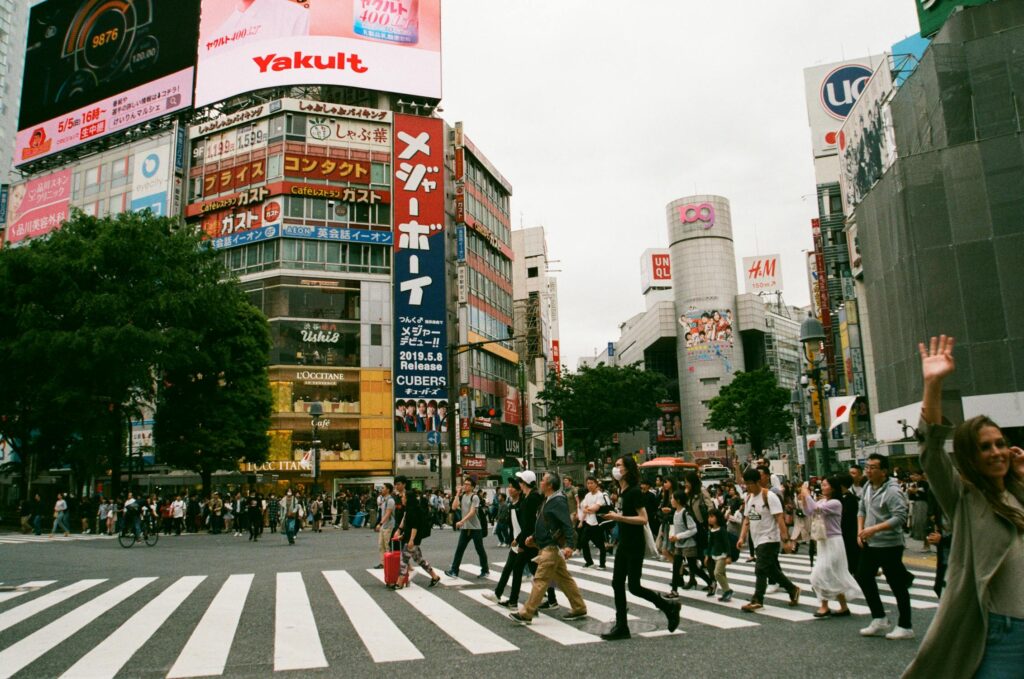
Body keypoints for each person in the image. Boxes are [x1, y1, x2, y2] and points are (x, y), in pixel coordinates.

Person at [903, 336, 1024, 678]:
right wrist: (933, 383)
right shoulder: (966, 498)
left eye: (1001, 443)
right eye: (985, 447)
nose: (997, 452)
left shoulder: (1016, 495)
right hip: (1003, 632)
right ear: (971, 457)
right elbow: (931, 453)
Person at [601, 456, 681, 639]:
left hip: (635, 543)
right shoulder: (622, 492)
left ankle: (669, 606)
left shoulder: (634, 492)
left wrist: (618, 518)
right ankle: (622, 626)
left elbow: (643, 519)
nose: (615, 468)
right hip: (624, 542)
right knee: (617, 583)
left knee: (634, 586)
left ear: (627, 469)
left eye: (618, 465)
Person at [509, 472, 587, 625]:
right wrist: (534, 537)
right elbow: (545, 523)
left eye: (543, 480)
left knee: (540, 579)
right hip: (546, 546)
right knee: (564, 579)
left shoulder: (558, 500)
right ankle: (579, 607)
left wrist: (570, 545)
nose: (540, 482)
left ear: (550, 485)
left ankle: (527, 612)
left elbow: (566, 524)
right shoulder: (548, 499)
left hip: (550, 548)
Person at [855, 452, 915, 640]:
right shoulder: (867, 486)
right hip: (871, 542)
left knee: (896, 583)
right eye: (867, 467)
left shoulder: (892, 491)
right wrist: (861, 530)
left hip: (889, 543)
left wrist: (874, 529)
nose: (868, 471)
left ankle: (906, 626)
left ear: (884, 471)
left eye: (873, 468)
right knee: (863, 576)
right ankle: (879, 617)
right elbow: (861, 510)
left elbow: (900, 517)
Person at [736, 468, 801, 612]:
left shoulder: (769, 496)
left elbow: (779, 518)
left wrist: (786, 540)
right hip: (757, 539)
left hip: (770, 538)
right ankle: (792, 589)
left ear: (758, 481)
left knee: (760, 569)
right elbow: (747, 519)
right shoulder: (749, 498)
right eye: (746, 484)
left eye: (750, 483)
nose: (748, 487)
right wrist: (742, 537)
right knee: (771, 570)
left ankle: (757, 599)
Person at [800, 477, 861, 617]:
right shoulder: (822, 501)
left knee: (821, 573)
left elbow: (815, 508)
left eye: (825, 485)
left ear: (833, 487)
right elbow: (808, 512)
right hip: (823, 541)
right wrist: (804, 498)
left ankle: (824, 606)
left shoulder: (836, 503)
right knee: (833, 574)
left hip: (834, 541)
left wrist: (807, 494)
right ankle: (842, 607)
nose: (822, 487)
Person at [667, 490, 713, 597]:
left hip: (689, 544)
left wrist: (678, 536)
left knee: (693, 568)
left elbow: (693, 530)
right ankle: (674, 591)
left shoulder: (685, 513)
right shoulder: (675, 512)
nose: (671, 500)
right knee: (676, 566)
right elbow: (676, 527)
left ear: (678, 500)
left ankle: (711, 582)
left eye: (672, 498)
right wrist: (673, 535)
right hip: (679, 544)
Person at [393, 487, 441, 589]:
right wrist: (403, 535)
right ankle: (435, 577)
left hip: (412, 540)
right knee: (419, 560)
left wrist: (411, 540)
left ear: (408, 499)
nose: (402, 498)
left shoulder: (413, 511)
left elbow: (414, 527)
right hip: (411, 538)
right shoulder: (409, 509)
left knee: (403, 561)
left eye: (404, 497)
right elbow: (407, 526)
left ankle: (399, 583)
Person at [444, 477, 489, 578]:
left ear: (472, 487)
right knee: (459, 549)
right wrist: (457, 494)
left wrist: (461, 521)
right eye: (464, 484)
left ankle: (485, 570)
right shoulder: (463, 496)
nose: (465, 486)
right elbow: (454, 507)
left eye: (468, 484)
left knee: (479, 550)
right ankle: (454, 571)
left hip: (475, 528)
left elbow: (472, 512)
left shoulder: (475, 497)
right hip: (465, 528)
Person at [704, 509, 735, 602]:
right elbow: (710, 544)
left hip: (722, 555)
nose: (709, 519)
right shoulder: (712, 530)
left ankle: (728, 591)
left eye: (712, 517)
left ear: (718, 518)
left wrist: (729, 556)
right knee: (722, 574)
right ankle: (726, 592)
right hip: (714, 555)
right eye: (709, 517)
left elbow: (727, 543)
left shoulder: (722, 530)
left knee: (717, 573)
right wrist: (707, 555)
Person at [579, 476, 610, 568]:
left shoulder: (600, 495)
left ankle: (602, 564)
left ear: (596, 484)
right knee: (583, 542)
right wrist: (582, 520)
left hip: (598, 523)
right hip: (589, 522)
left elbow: (596, 508)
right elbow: (583, 507)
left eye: (592, 483)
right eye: (588, 483)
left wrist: (588, 509)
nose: (589, 485)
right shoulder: (587, 495)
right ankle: (589, 562)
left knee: (600, 544)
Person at [374, 484, 397, 568]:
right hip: (384, 526)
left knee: (388, 546)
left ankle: (390, 563)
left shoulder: (390, 500)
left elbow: (388, 513)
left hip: (389, 526)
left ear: (388, 490)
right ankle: (383, 563)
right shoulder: (383, 500)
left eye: (383, 488)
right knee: (381, 545)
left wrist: (380, 523)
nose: (381, 489)